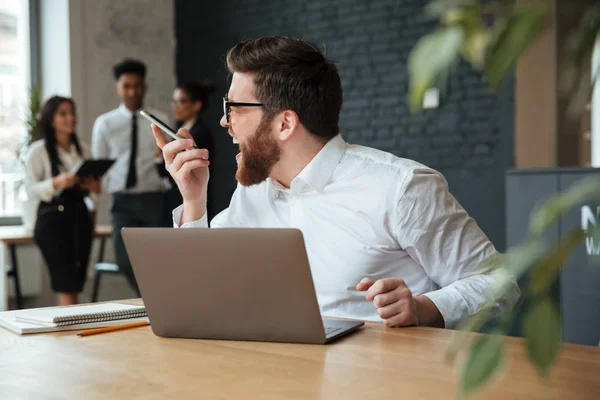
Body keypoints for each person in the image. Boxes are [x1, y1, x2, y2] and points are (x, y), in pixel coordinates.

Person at [153, 37, 520, 328]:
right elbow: (202, 289)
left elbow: (499, 283)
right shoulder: (255, 189)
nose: (224, 123)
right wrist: (193, 200)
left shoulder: (401, 188)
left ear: (284, 124)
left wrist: (425, 308)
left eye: (233, 109)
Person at [91, 59, 168, 295]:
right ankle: (152, 299)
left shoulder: (160, 120)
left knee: (157, 261)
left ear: (144, 87)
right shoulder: (105, 123)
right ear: (118, 88)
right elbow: (99, 163)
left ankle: (155, 303)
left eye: (137, 86)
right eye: (126, 86)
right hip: (122, 202)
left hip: (155, 199)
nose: (132, 92)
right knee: (125, 261)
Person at [25, 96, 101, 306]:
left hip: (79, 219)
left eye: (72, 112)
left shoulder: (83, 149)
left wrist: (94, 188)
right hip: (52, 221)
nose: (71, 118)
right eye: (63, 113)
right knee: (65, 282)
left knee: (76, 282)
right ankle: (69, 335)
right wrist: (57, 183)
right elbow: (30, 189)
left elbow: (94, 195)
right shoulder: (38, 151)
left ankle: (71, 333)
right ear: (51, 119)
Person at [156, 82, 216, 225]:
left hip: (188, 198)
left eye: (182, 101)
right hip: (178, 197)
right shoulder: (179, 130)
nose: (176, 106)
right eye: (174, 101)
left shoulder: (200, 133)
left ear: (196, 105)